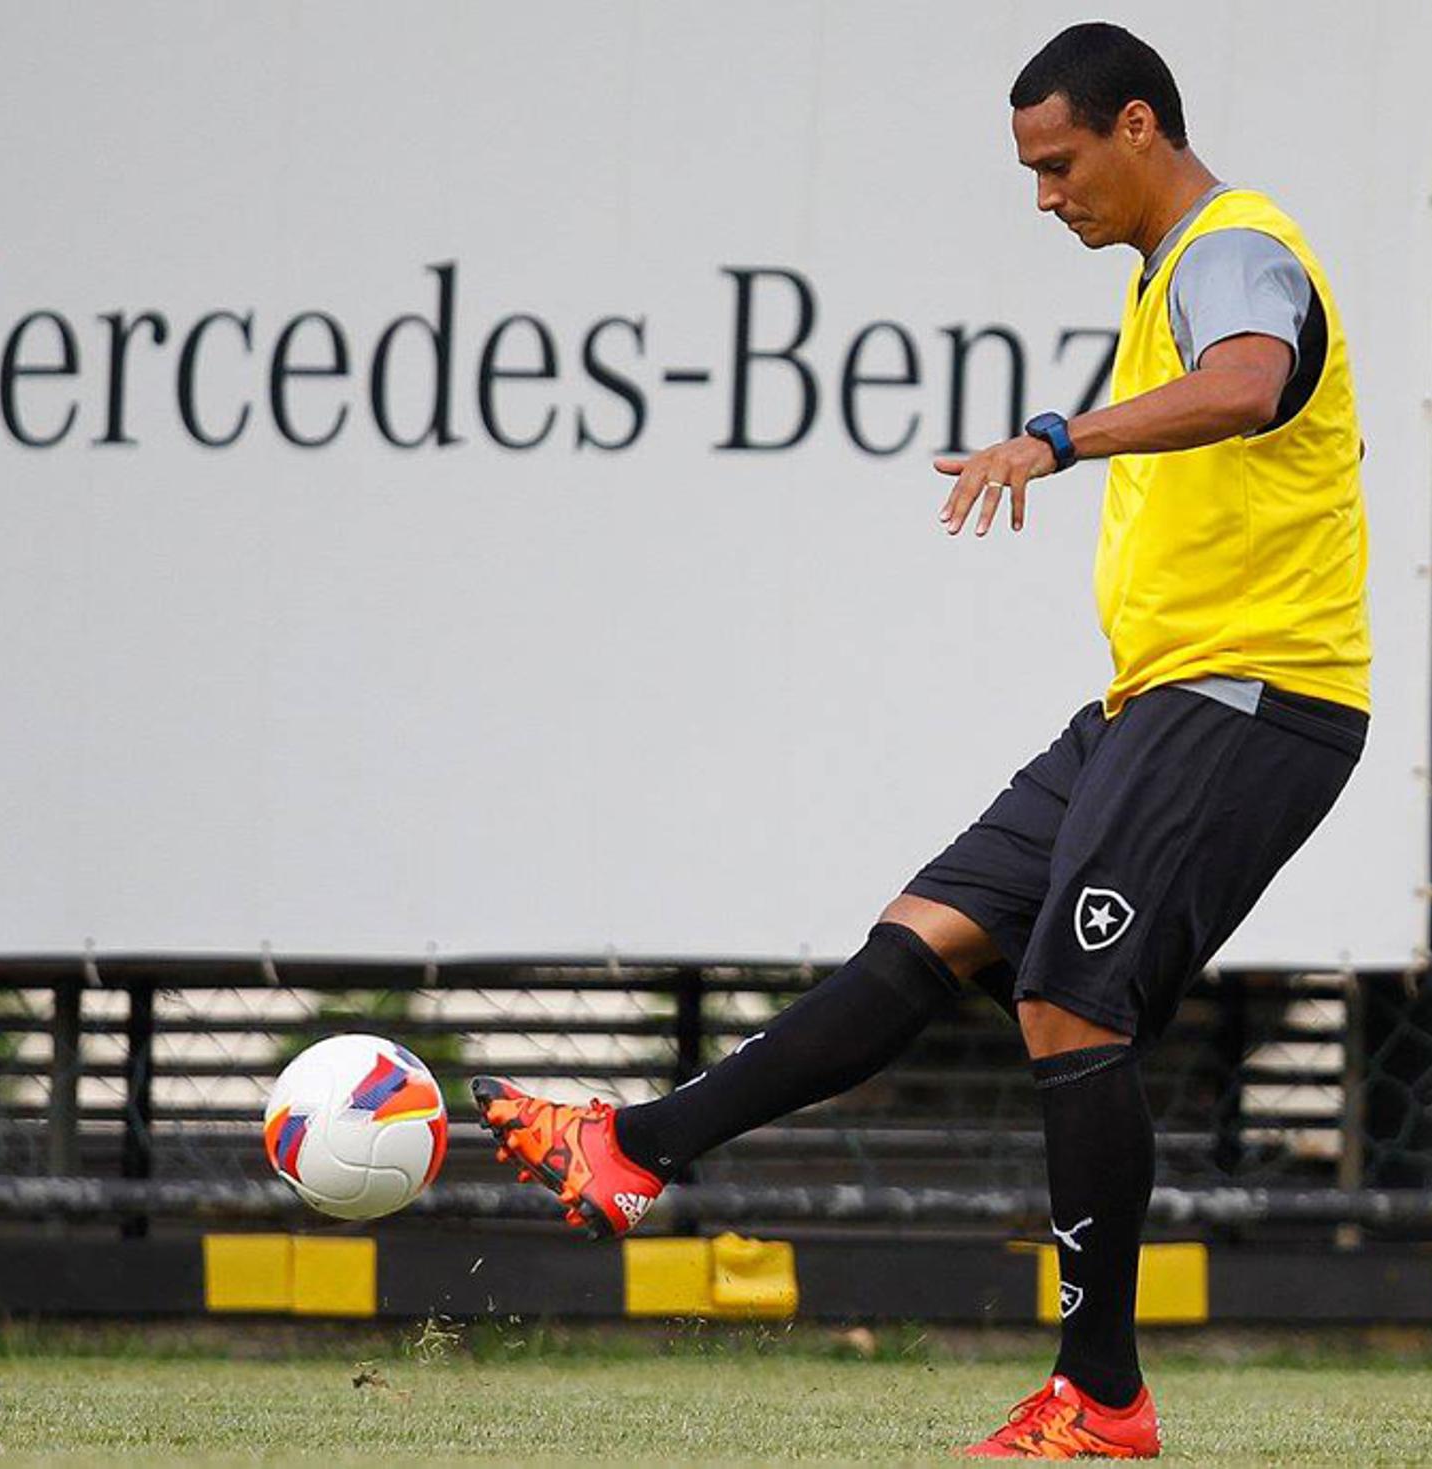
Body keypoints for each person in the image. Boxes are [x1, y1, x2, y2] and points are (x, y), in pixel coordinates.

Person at [472, 20, 1369, 1460]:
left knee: (1072, 1002)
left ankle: (1103, 1398)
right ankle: (633, 1149)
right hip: (1155, 697)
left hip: (1255, 698)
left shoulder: (1232, 247)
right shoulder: (1166, 271)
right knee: (924, 934)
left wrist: (1055, 438)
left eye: (1059, 162)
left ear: (1139, 127)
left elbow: (1255, 377)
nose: (1045, 196)